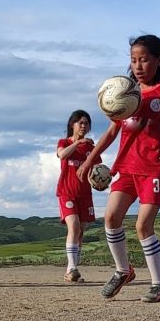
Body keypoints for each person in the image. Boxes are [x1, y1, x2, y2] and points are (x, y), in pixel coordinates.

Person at [80, 34, 160, 303]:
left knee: (143, 226)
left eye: (144, 59)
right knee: (111, 218)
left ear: (158, 60)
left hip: (155, 168)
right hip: (126, 167)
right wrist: (89, 159)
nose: (138, 65)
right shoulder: (126, 94)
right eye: (133, 60)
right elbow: (110, 133)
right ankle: (123, 270)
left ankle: (159, 285)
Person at [56, 110, 95, 283]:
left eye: (86, 123)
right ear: (72, 125)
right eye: (80, 122)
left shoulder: (90, 147)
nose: (83, 126)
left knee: (81, 232)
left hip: (85, 194)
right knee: (74, 226)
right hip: (67, 192)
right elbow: (61, 154)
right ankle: (72, 267)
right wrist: (78, 143)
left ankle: (71, 271)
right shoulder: (64, 142)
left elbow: (97, 168)